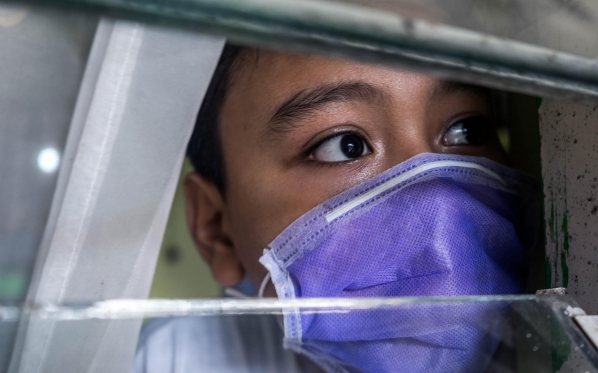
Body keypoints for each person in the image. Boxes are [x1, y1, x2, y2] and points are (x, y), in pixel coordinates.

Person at [132, 45, 538, 373]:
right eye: (345, 145)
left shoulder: (555, 342)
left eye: (466, 130)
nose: (439, 199)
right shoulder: (175, 360)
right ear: (217, 229)